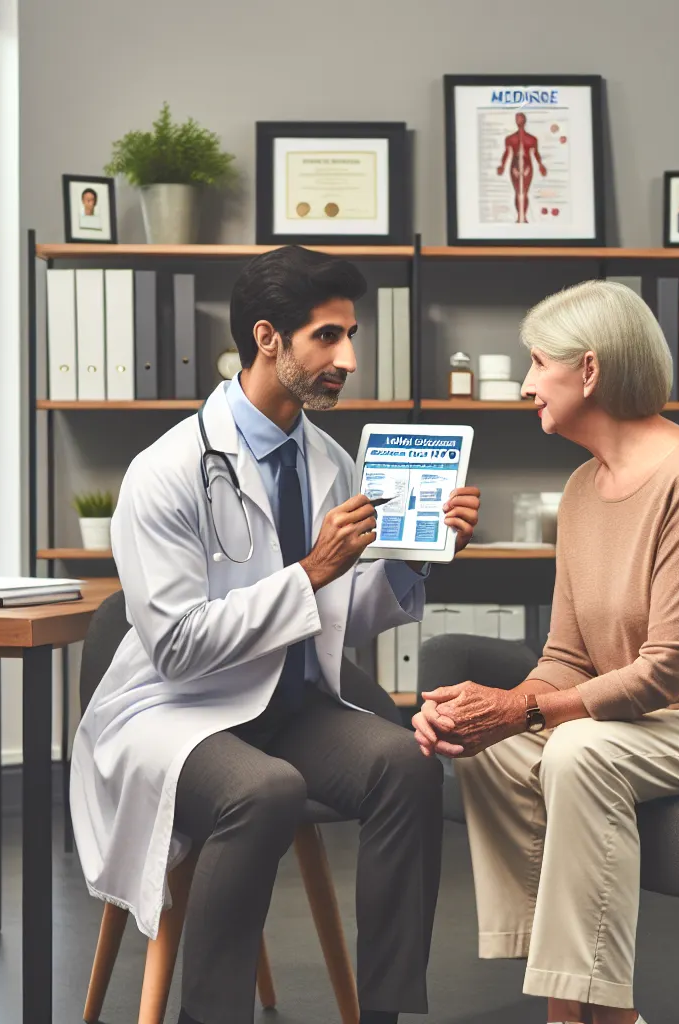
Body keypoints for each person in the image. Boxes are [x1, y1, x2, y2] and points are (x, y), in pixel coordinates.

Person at [72, 246, 482, 1024]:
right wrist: (313, 570)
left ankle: (387, 1013)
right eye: (328, 338)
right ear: (268, 339)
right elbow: (178, 648)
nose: (349, 359)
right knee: (266, 791)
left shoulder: (330, 461)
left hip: (286, 706)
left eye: (350, 336)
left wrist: (416, 563)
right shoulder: (166, 471)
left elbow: (337, 618)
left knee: (406, 765)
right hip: (178, 711)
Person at [412, 280, 679, 1024]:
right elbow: (567, 656)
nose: (523, 385)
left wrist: (521, 708)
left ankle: (596, 1013)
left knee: (578, 751)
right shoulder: (582, 488)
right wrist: (478, 714)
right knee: (488, 749)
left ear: (589, 370)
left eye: (537, 363)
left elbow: (666, 668)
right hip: (674, 719)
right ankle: (563, 988)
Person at [497, 111, 547, 224]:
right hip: (514, 167)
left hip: (527, 167)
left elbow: (535, 153)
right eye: (516, 118)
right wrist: (502, 166)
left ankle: (523, 217)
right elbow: (507, 153)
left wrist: (540, 165)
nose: (518, 120)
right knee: (517, 192)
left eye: (519, 118)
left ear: (524, 120)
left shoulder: (532, 139)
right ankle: (519, 216)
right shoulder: (510, 138)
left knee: (524, 192)